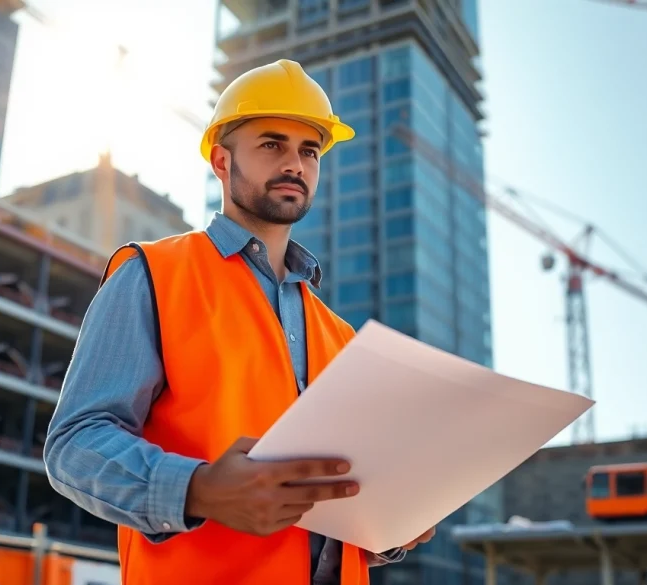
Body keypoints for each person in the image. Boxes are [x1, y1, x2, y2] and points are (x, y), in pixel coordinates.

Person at [43, 59, 435, 585]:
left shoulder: (340, 335)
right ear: (222, 162)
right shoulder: (153, 274)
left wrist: (389, 524)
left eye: (309, 150)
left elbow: (337, 498)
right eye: (272, 144)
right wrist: (197, 489)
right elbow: (74, 444)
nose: (295, 163)